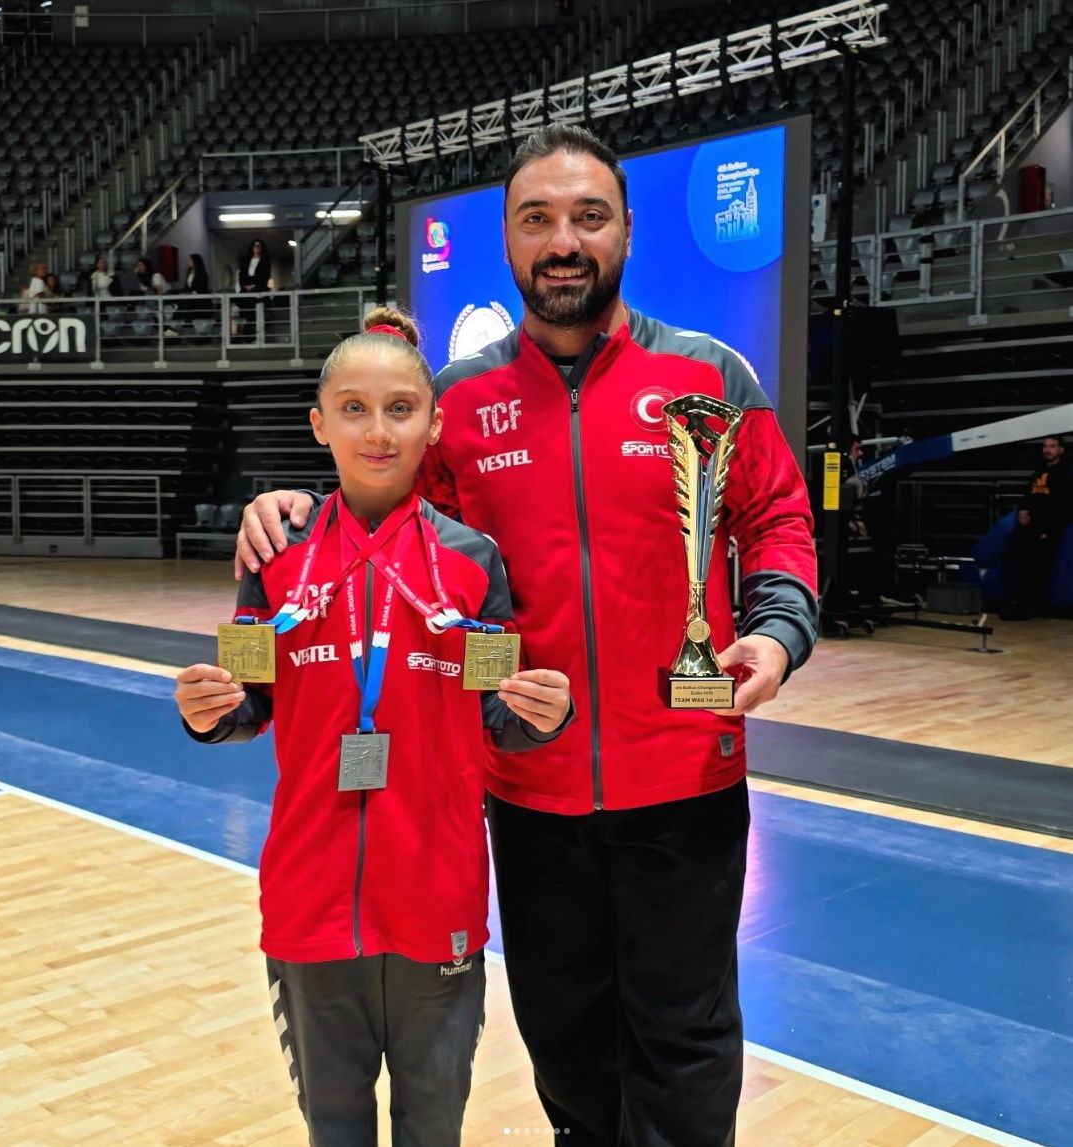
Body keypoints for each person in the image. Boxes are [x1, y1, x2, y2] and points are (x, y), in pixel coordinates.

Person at [233, 125, 818, 1147]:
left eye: (589, 217)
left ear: (626, 231)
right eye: (537, 219)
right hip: (527, 789)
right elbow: (387, 519)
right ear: (508, 241)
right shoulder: (460, 402)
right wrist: (292, 509)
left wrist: (775, 631)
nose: (564, 241)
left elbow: (776, 518)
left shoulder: (710, 376)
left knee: (684, 1039)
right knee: (566, 1036)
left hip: (685, 775)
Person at [175, 306, 572, 1147]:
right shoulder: (275, 555)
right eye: (353, 409)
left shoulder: (474, 562)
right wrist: (212, 712)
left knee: (433, 1129)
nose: (379, 431)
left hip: (438, 896)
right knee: (336, 1128)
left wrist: (543, 715)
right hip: (309, 899)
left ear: (434, 424)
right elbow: (252, 700)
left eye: (400, 409)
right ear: (319, 424)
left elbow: (497, 712)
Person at [1001, 435, 1071, 618]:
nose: (1047, 450)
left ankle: (1030, 607)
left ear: (1061, 450)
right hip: (1029, 526)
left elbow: (1062, 506)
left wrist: (1047, 530)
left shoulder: (1064, 473)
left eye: (1052, 446)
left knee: (1037, 567)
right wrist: (1022, 510)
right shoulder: (1039, 471)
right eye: (1045, 446)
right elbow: (1029, 495)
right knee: (1016, 560)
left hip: (1047, 528)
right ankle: (1016, 602)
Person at [236, 237, 271, 341]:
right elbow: (242, 275)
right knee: (246, 314)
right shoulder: (245, 260)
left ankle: (257, 337)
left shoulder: (265, 261)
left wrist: (254, 285)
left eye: (258, 246)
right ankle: (247, 337)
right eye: (255, 246)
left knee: (256, 314)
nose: (256, 248)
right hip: (246, 292)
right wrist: (245, 285)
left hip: (258, 290)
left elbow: (265, 276)